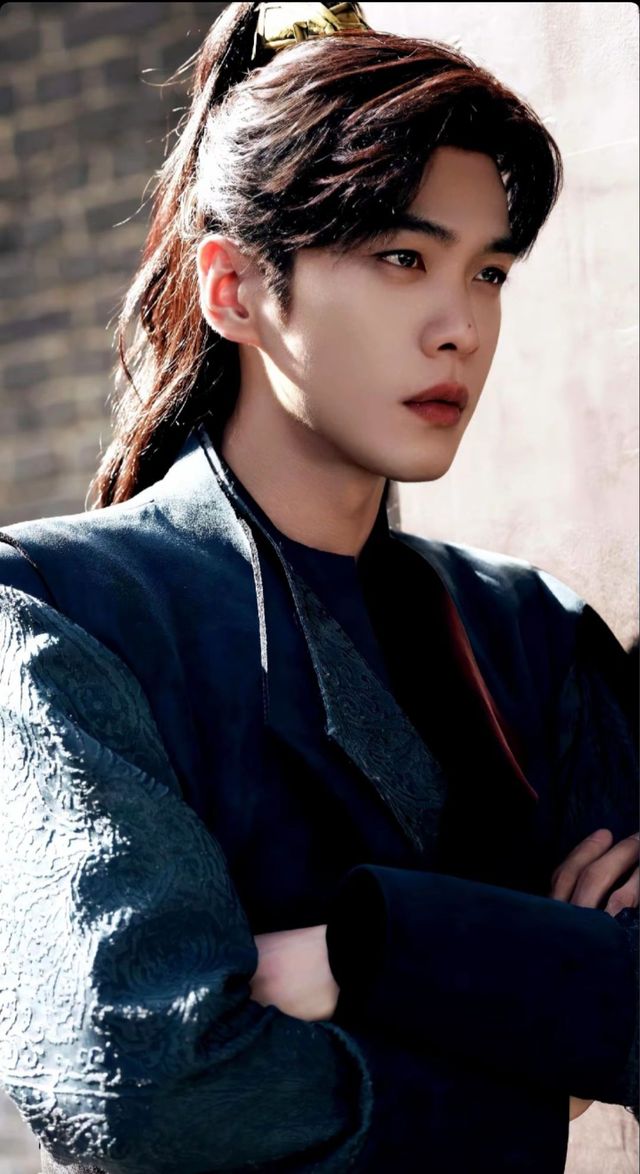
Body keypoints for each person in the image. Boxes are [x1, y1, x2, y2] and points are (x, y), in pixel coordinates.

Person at [0, 3, 637, 1172]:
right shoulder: (55, 609)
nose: (461, 327)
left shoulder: (530, 631)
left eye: (488, 270)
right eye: (402, 259)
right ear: (236, 289)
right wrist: (527, 1035)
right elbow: (140, 1079)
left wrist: (364, 947)